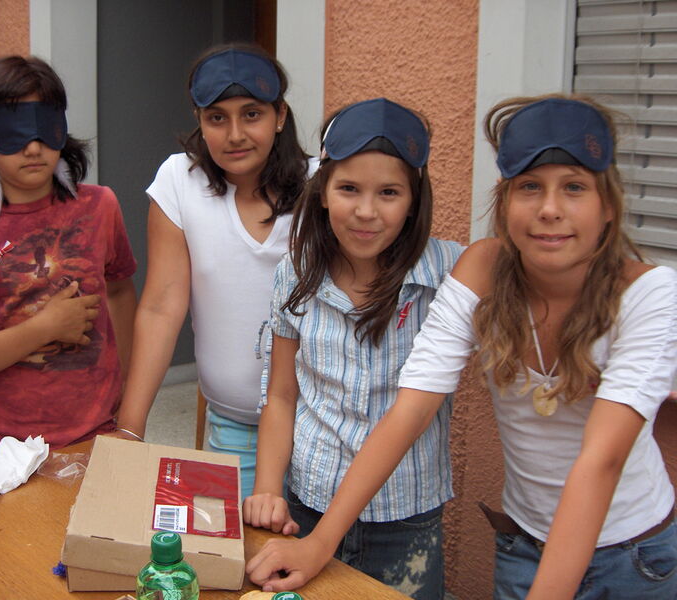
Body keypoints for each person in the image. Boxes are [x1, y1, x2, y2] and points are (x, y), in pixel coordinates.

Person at [246, 95, 677, 600]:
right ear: (504, 199)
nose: (550, 209)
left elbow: (600, 461)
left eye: (575, 187)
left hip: (632, 554)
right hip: (522, 543)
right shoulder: (482, 270)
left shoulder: (649, 293)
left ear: (609, 205)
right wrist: (320, 542)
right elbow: (411, 407)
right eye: (529, 187)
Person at [243, 98, 463, 600]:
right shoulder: (295, 273)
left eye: (389, 192)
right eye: (348, 189)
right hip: (307, 504)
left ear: (414, 199)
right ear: (322, 192)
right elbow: (282, 395)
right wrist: (268, 487)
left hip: (405, 520)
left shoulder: (450, 274)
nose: (366, 211)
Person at [113, 44, 311, 497]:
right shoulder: (179, 180)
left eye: (252, 114)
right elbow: (162, 306)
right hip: (233, 428)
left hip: (320, 428)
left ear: (280, 115)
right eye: (217, 117)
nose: (235, 134)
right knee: (236, 542)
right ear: (199, 120)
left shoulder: (321, 187)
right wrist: (130, 428)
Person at [0, 56, 137, 467]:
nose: (34, 147)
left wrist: (126, 392)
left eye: (44, 127)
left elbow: (121, 291)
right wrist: (43, 328)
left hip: (94, 434)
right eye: (15, 130)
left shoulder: (100, 207)